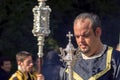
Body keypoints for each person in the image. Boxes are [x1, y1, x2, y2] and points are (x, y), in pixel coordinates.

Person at [60, 13, 120, 80]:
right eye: (77, 36)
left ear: (98, 32)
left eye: (85, 35)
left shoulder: (115, 60)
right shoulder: (69, 62)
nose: (80, 41)